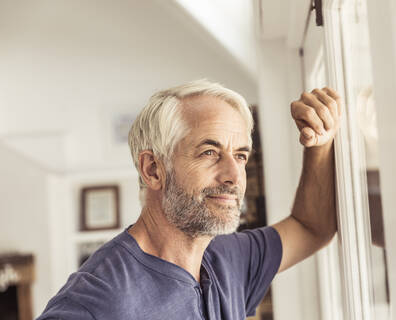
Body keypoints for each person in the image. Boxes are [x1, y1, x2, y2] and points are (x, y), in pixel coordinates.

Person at [37, 79, 342, 320]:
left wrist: (321, 144)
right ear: (153, 169)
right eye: (209, 153)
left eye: (240, 156)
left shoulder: (227, 260)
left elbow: (311, 226)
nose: (233, 176)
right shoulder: (97, 300)